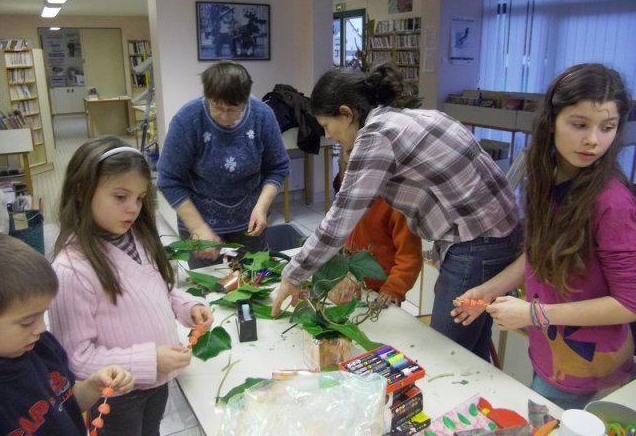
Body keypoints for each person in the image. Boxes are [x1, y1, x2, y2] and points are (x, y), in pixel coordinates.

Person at [272, 62, 522, 361]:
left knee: (448, 350)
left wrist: (293, 275)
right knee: (471, 344)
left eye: (327, 126)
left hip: (478, 240)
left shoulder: (376, 135)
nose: (329, 135)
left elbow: (339, 221)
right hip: (498, 233)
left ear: (347, 113)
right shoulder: (411, 117)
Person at [451, 63, 636, 410]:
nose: (594, 140)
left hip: (588, 368)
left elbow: (629, 303)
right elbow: (538, 254)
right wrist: (490, 289)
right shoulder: (547, 177)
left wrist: (535, 314)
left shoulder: (612, 201)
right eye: (579, 125)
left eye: (607, 127)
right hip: (550, 355)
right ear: (552, 121)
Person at [49, 136, 213, 436]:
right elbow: (77, 358)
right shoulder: (72, 270)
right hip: (115, 396)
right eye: (120, 196)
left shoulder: (138, 238)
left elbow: (158, 290)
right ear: (82, 192)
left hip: (157, 382)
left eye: (139, 198)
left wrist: (188, 306)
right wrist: (150, 359)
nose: (133, 208)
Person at [0, 233, 135, 435]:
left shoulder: (42, 347)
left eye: (43, 314)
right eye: (27, 322)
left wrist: (93, 385)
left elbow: (68, 401)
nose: (41, 328)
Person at [157, 61, 290, 268]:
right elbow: (168, 180)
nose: (225, 116)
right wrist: (198, 227)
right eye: (217, 107)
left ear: (245, 100)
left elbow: (278, 167)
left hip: (250, 220)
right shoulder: (188, 119)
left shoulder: (262, 115)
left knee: (253, 280)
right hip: (200, 219)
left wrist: (262, 207)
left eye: (233, 109)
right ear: (207, 96)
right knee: (209, 285)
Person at [333, 148, 423, 305]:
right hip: (351, 283)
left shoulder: (398, 206)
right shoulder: (348, 194)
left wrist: (392, 289)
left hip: (382, 292)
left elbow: (410, 258)